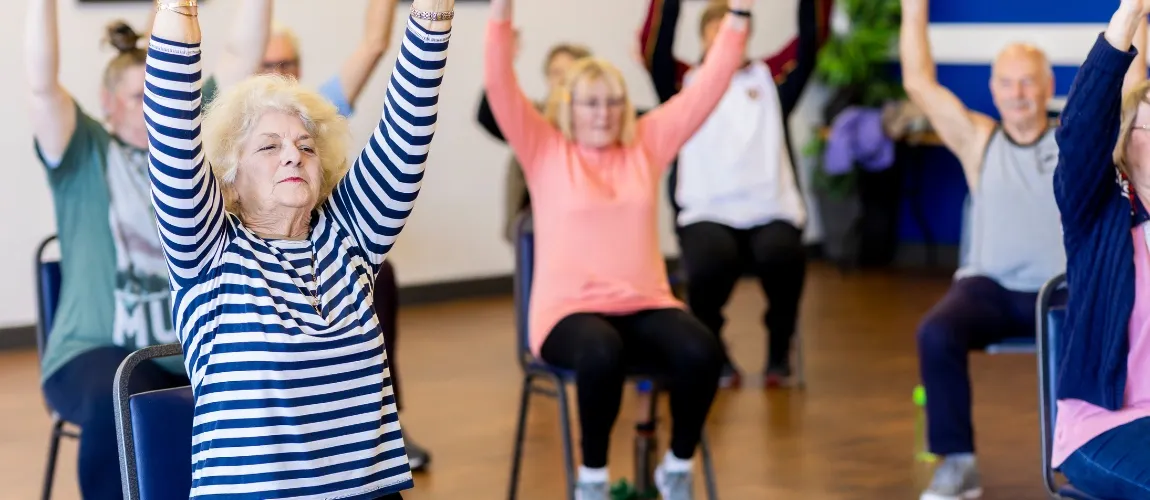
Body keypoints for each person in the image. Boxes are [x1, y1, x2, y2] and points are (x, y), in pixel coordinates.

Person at [144, 0, 453, 497]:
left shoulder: (350, 238)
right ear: (229, 178)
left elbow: (408, 127)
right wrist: (178, 9)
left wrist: (433, 15)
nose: (293, 153)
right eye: (269, 146)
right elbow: (172, 133)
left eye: (305, 146)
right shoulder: (208, 256)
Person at [484, 0, 750, 497]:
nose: (603, 114)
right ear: (568, 107)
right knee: (600, 353)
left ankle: (676, 466)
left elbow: (709, 88)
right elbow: (499, 85)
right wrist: (500, 12)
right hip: (567, 314)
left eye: (612, 102)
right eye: (590, 103)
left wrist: (738, 17)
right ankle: (593, 480)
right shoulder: (545, 150)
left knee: (702, 349)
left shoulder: (647, 144)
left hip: (644, 304)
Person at [24, 0, 269, 497]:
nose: (156, 103)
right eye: (140, 96)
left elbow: (244, 50)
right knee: (125, 392)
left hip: (190, 351)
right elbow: (41, 85)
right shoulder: (83, 149)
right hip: (96, 353)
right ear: (108, 102)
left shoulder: (189, 152)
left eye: (161, 92)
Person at [899, 0, 1100, 497]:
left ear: (1049, 86)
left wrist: (1137, 16)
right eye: (1007, 83)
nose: (1018, 93)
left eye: (1029, 82)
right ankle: (958, 462)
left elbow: (1125, 94)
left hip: (1058, 291)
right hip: (988, 288)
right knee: (935, 332)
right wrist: (913, 10)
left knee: (1101, 324)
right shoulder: (978, 140)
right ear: (993, 89)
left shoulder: (1072, 143)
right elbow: (918, 83)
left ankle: (1082, 462)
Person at [639, 0, 831, 389]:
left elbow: (812, 40)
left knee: (782, 256)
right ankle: (713, 350)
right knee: (709, 264)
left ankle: (779, 350)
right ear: (704, 37)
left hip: (769, 208)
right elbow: (653, 48)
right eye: (717, 29)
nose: (728, 37)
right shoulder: (682, 84)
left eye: (735, 28)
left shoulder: (772, 80)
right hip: (707, 211)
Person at [1048, 1, 1150, 498]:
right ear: (1125, 142)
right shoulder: (1101, 214)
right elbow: (1082, 131)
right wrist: (1131, 14)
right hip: (1103, 427)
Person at [476, 40, 591, 242]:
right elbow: (487, 115)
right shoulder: (532, 117)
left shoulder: (601, 121)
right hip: (533, 228)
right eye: (555, 72)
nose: (562, 79)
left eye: (570, 72)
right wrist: (502, 62)